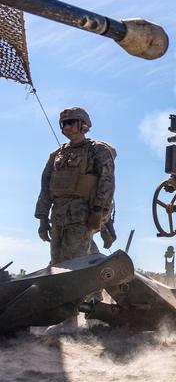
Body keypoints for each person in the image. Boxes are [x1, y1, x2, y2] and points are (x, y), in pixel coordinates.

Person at [35, 107, 116, 265]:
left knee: (73, 264)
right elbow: (45, 188)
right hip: (58, 217)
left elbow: (107, 182)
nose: (66, 127)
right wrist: (43, 219)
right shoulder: (56, 155)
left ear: (83, 125)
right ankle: (97, 281)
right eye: (63, 124)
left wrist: (99, 213)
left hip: (84, 216)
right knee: (58, 261)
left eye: (71, 122)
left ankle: (95, 285)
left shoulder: (98, 150)